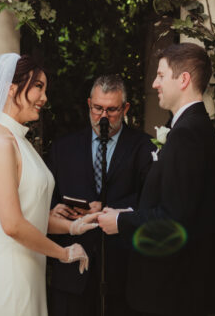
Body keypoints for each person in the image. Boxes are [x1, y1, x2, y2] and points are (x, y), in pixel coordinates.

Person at [0, 53, 100, 316]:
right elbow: (11, 224)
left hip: (30, 274)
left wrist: (73, 226)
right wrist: (64, 253)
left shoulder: (21, 142)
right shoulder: (1, 143)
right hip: (10, 277)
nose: (44, 97)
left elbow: (28, 215)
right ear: (11, 89)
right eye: (38, 86)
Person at [96, 43, 215, 316]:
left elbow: (174, 220)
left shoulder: (187, 133)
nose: (155, 83)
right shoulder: (186, 127)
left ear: (183, 80)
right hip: (180, 289)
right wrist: (130, 212)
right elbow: (177, 203)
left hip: (179, 291)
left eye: (161, 75)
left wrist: (120, 222)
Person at [47, 74, 156, 316]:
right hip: (72, 274)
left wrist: (108, 208)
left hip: (124, 273)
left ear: (126, 108)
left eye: (112, 110)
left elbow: (152, 201)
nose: (103, 117)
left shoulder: (144, 146)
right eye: (97, 108)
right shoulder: (63, 148)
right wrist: (55, 209)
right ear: (89, 104)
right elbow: (46, 198)